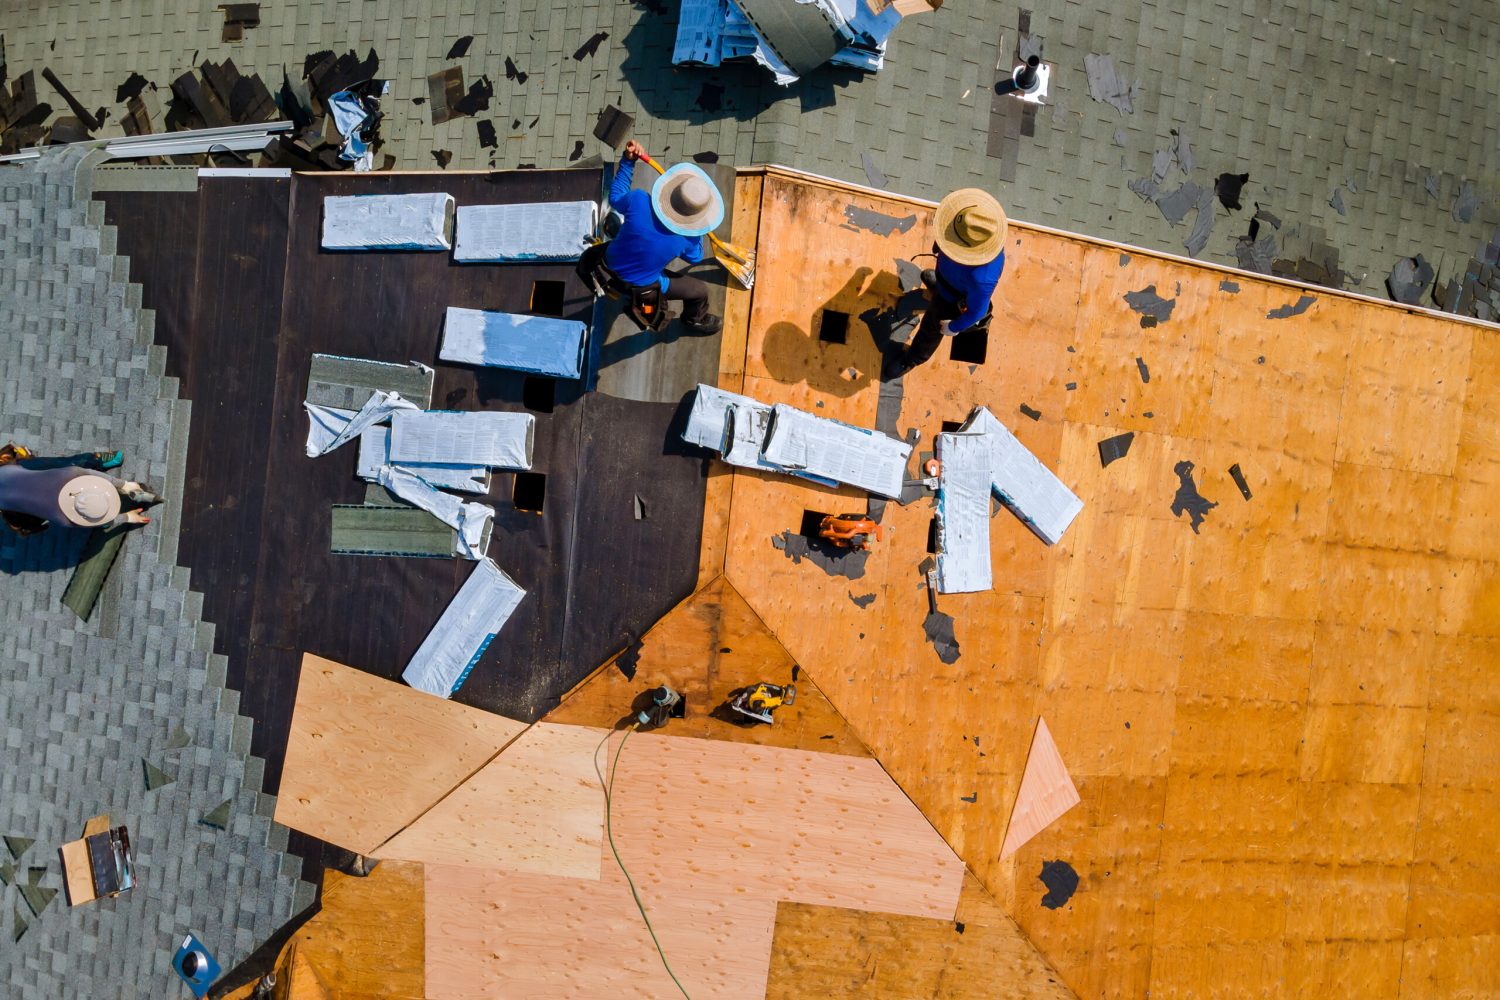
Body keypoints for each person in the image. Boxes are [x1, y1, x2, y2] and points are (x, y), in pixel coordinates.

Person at [602, 139, 725, 335]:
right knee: (700, 291)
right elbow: (695, 257)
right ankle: (694, 320)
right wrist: (696, 230)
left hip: (607, 264)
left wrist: (628, 160)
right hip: (640, 286)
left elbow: (616, 195)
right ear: (695, 216)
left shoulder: (638, 200)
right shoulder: (686, 239)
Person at [885, 188, 1007, 378]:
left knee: (931, 329)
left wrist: (953, 327)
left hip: (951, 299)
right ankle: (937, 287)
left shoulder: (983, 278)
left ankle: (911, 360)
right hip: (946, 279)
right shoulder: (967, 223)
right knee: (931, 277)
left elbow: (978, 311)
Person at [0, 462, 161, 533]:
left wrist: (124, 484)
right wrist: (126, 516)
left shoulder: (71, 473)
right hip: (6, 488)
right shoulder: (63, 519)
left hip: (7, 474)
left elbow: (101, 520)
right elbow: (103, 521)